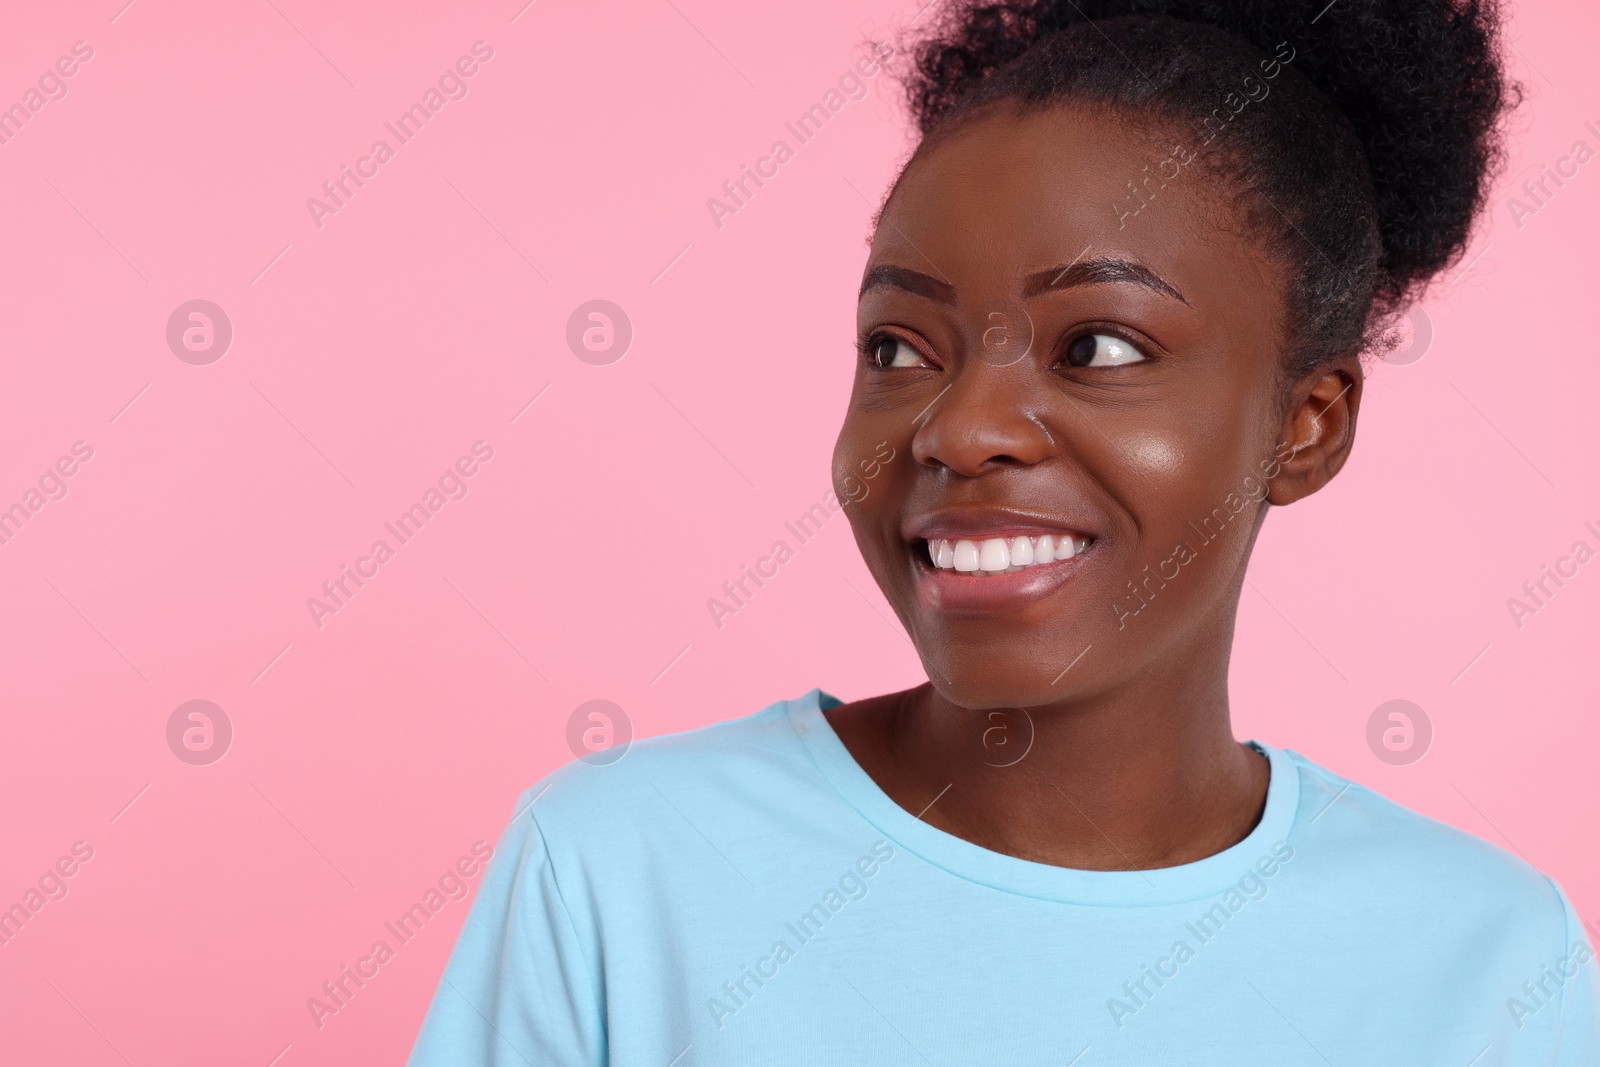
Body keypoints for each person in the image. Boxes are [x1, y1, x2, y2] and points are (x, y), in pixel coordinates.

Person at [409, 1, 1600, 1062]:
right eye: (899, 349)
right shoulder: (621, 870)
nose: (959, 428)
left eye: (1097, 347)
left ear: (1306, 424)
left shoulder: (1491, 960)